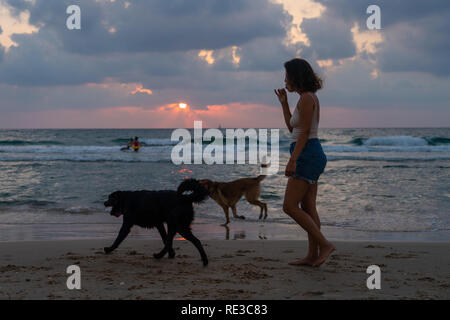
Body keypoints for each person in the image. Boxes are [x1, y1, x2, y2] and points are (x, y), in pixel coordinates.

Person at [274, 58, 335, 267]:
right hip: (307, 153)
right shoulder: (304, 99)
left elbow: (306, 132)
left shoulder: (308, 98)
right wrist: (284, 105)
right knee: (308, 207)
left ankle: (324, 245)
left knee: (289, 206)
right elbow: (294, 129)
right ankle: (312, 255)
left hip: (307, 154)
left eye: (287, 76)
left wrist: (293, 160)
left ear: (296, 77)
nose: (284, 80)